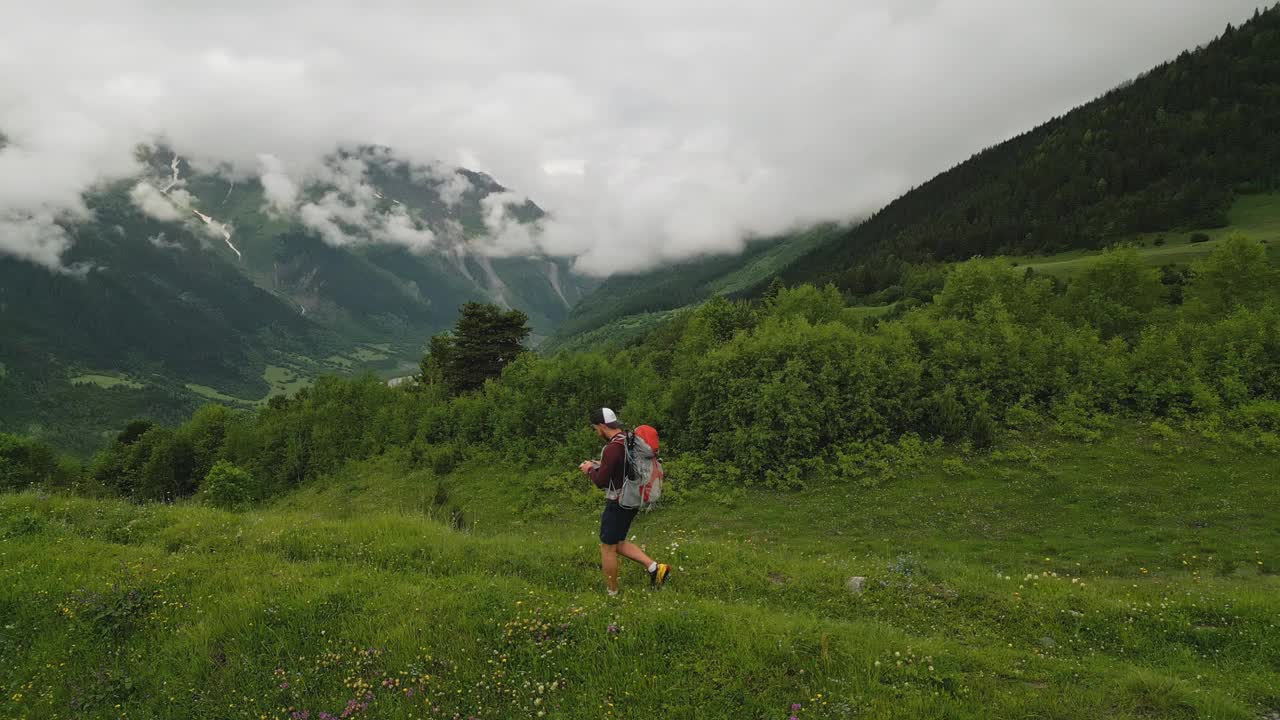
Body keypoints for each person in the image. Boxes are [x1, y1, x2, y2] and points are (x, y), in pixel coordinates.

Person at [579, 407, 671, 596]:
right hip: (632, 499)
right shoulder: (628, 440)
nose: (596, 432)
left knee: (607, 547)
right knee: (618, 541)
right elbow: (619, 468)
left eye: (596, 428)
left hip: (618, 502)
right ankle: (655, 568)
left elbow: (601, 481)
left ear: (603, 426)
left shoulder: (612, 447)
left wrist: (589, 469)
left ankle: (612, 594)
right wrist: (599, 464)